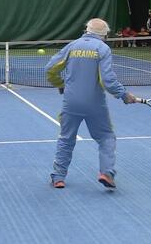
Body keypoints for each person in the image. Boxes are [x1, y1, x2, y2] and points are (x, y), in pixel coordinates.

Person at [45, 18, 137, 190]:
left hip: (71, 103)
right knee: (106, 137)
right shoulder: (102, 48)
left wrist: (59, 83)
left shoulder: (72, 46)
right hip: (95, 105)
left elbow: (50, 68)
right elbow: (108, 81)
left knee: (66, 139)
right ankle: (106, 173)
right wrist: (124, 94)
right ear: (105, 34)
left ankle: (58, 177)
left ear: (87, 30)